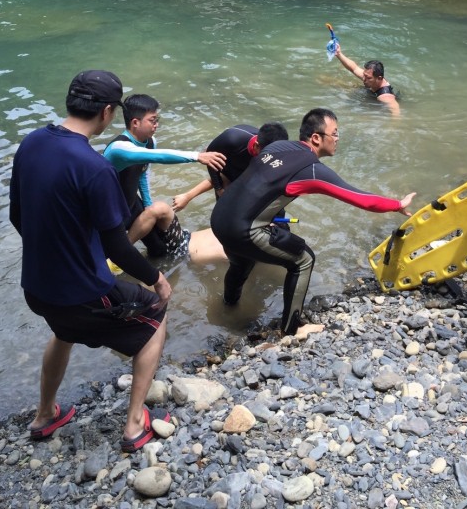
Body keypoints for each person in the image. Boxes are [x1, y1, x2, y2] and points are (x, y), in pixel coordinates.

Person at [9, 70, 172, 451]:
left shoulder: (31, 143)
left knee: (64, 331)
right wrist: (157, 277)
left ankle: (45, 414)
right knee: (155, 318)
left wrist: (55, 254)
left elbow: (18, 216)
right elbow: (116, 246)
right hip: (80, 294)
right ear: (108, 112)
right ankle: (134, 425)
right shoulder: (94, 167)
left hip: (36, 288)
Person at [210, 108, 415, 337]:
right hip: (242, 229)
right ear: (316, 138)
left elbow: (260, 181)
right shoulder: (311, 169)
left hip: (219, 217)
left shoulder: (276, 147)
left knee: (241, 263)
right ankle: (292, 328)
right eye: (334, 134)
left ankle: (227, 311)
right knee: (303, 259)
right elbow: (362, 200)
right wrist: (397, 205)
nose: (337, 139)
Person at [103, 94, 226, 261]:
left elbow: (142, 173)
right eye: (152, 120)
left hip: (131, 202)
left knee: (158, 250)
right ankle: (114, 259)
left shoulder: (150, 141)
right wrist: (197, 156)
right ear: (135, 123)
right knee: (104, 254)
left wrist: (147, 205)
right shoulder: (119, 148)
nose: (156, 124)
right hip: (109, 209)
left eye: (157, 119)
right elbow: (159, 156)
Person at [172, 122, 287, 212]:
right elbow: (212, 164)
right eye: (267, 153)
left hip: (250, 165)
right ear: (257, 145)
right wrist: (219, 189)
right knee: (224, 198)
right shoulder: (231, 139)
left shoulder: (277, 152)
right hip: (232, 158)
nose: (271, 157)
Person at [333, 42, 400, 116]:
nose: (364, 79)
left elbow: (396, 112)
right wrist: (339, 54)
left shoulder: (385, 97)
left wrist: (393, 126)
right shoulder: (370, 76)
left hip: (375, 105)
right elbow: (354, 68)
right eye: (364, 75)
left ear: (379, 78)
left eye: (368, 78)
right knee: (335, 83)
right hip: (370, 93)